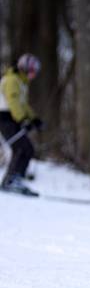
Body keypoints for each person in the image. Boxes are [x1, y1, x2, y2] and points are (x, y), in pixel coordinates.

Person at [0, 53, 43, 196]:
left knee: (26, 149)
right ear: (24, 68)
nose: (33, 75)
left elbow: (22, 104)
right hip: (5, 118)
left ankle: (13, 179)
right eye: (32, 71)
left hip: (12, 118)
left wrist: (33, 119)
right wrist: (23, 119)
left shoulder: (20, 82)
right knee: (21, 148)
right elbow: (13, 102)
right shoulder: (12, 80)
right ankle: (12, 180)